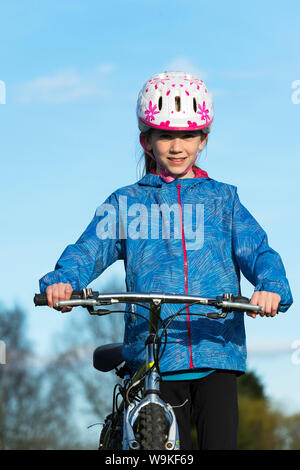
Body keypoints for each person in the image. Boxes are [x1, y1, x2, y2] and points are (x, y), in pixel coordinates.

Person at [39, 71, 293, 450]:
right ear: (147, 140)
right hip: (156, 356)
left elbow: (259, 252)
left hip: (216, 350)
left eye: (188, 135)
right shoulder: (127, 202)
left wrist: (270, 286)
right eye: (166, 135)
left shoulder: (223, 200)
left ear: (203, 139)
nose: (177, 146)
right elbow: (88, 249)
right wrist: (63, 280)